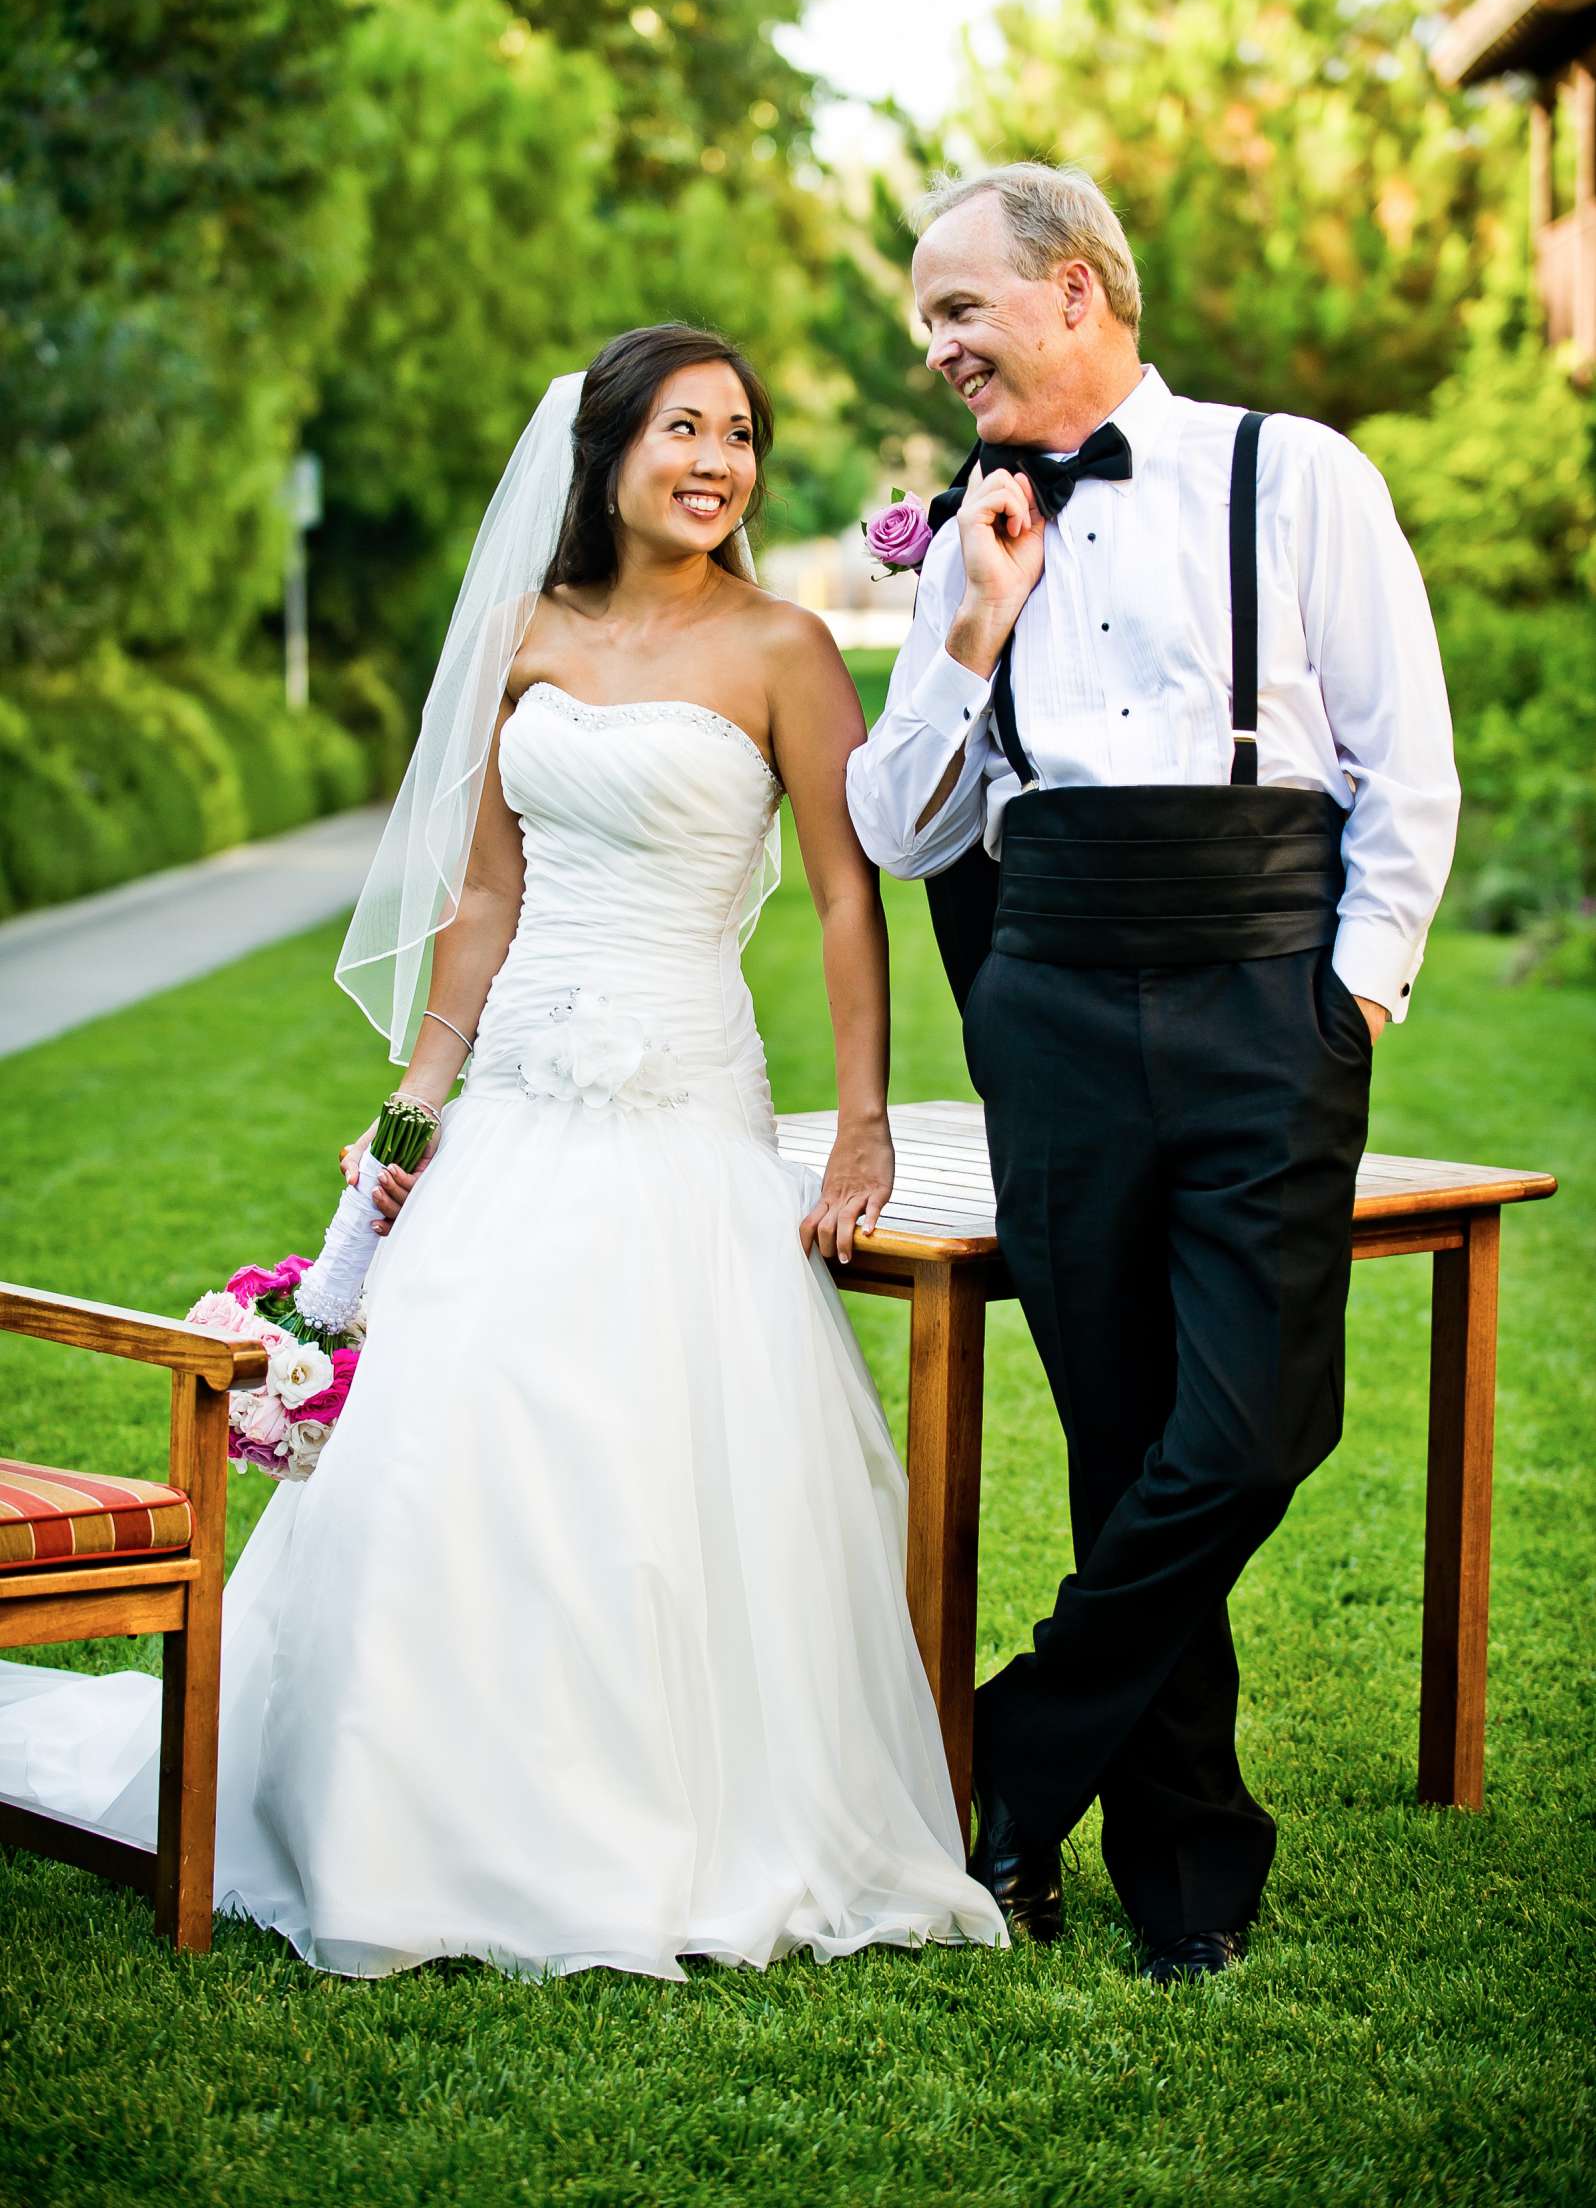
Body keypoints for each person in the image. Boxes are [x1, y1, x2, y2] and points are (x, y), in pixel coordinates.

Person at [0, 324, 1004, 1980]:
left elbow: (846, 895)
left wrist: (866, 1126)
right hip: (519, 1099)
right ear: (607, 452)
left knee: (669, 1455)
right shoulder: (526, 637)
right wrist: (403, 1128)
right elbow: (480, 914)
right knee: (456, 1439)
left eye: (740, 436)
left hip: (684, 1097)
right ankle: (408, 1816)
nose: (717, 462)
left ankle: (674, 1828)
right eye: (685, 428)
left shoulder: (785, 645)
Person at [846, 164, 1460, 1984]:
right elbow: (898, 823)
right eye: (926, 321)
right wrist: (969, 627)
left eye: (959, 308)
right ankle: (1181, 1867)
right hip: (1051, 999)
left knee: (1264, 1418)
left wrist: (1347, 997)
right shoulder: (967, 531)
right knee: (1123, 1437)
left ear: (1079, 288)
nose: (939, 347)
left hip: (1268, 988)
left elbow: (1406, 763)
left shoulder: (1298, 474)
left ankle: (1017, 1742)